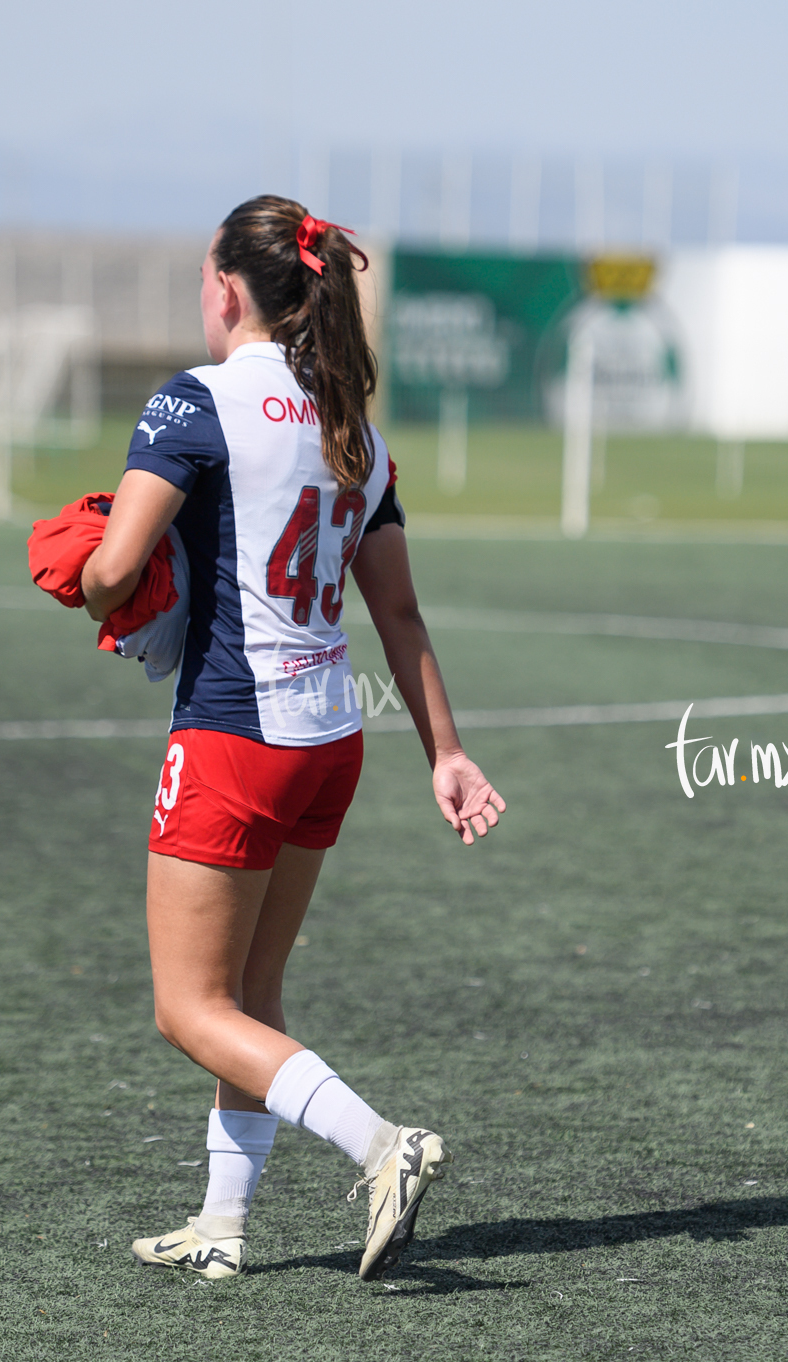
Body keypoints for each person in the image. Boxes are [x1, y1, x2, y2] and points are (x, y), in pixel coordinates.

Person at [79, 195, 505, 1282]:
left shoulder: (196, 401)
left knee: (188, 1007)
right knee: (251, 1002)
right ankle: (220, 1230)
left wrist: (86, 566)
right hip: (330, 742)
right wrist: (447, 756)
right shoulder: (351, 428)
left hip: (232, 736)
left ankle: (381, 1146)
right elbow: (399, 616)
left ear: (227, 289)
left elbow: (109, 577)